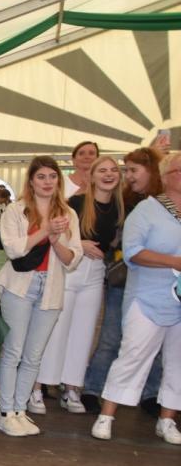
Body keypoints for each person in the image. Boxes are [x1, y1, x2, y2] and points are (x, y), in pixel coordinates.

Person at [91, 151, 181, 444]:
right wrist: (174, 262)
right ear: (164, 176)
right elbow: (133, 252)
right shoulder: (146, 210)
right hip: (147, 297)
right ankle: (107, 415)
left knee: (178, 362)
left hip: (178, 302)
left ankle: (167, 420)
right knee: (132, 354)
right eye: (179, 171)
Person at [0, 157, 82, 437]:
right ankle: (5, 412)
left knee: (33, 355)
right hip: (19, 286)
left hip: (51, 289)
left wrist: (55, 241)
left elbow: (73, 259)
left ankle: (20, 410)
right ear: (31, 181)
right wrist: (46, 230)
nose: (47, 182)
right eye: (41, 176)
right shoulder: (16, 210)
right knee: (13, 351)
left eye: (52, 176)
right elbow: (13, 249)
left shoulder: (69, 214)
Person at [33, 155, 123, 414]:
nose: (108, 174)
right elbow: (58, 234)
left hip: (96, 274)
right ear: (91, 176)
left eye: (113, 170)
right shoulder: (76, 203)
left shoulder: (120, 207)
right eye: (102, 170)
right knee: (56, 331)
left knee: (83, 334)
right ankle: (37, 387)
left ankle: (72, 388)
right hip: (70, 270)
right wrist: (80, 244)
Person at [81, 147, 166, 413]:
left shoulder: (166, 202)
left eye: (133, 170)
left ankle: (151, 394)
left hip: (158, 281)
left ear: (151, 171)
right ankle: (93, 388)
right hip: (122, 278)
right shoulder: (124, 201)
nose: (128, 176)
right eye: (126, 170)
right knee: (111, 337)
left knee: (156, 342)